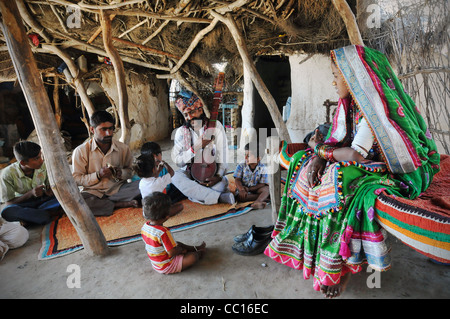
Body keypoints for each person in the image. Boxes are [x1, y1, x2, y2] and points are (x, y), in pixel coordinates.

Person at [264, 45, 440, 298]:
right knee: (301, 161)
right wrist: (316, 153)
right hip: (363, 157)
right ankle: (308, 251)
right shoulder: (350, 106)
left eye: (337, 74)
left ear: (354, 78)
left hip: (391, 166)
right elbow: (339, 143)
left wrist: (320, 151)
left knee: (338, 178)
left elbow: (355, 155)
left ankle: (338, 267)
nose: (333, 81)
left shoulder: (373, 111)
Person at [171, 90, 234, 205]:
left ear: (200, 110)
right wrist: (195, 148)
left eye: (191, 112)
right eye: (185, 114)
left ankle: (197, 194)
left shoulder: (215, 126)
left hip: (212, 174)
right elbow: (179, 162)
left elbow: (224, 154)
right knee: (175, 177)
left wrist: (218, 176)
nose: (189, 118)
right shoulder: (181, 132)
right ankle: (219, 198)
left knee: (219, 185)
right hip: (190, 174)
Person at [72, 110, 140, 216]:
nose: (108, 133)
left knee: (144, 186)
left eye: (111, 129)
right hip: (93, 193)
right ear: (92, 130)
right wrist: (98, 175)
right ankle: (119, 204)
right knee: (76, 203)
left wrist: (121, 173)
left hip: (118, 190)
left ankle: (109, 204)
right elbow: (76, 179)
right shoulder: (80, 151)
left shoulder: (122, 148)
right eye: (103, 129)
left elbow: (131, 171)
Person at [141, 192, 206, 274]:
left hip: (157, 264)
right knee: (193, 257)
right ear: (167, 216)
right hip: (167, 265)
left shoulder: (145, 227)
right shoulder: (163, 232)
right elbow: (171, 252)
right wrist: (181, 250)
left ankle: (195, 248)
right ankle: (199, 252)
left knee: (176, 244)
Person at [0, 141, 61, 225]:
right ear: (23, 163)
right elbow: (9, 203)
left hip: (43, 199)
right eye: (36, 158)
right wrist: (31, 193)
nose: (41, 160)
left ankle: (34, 217)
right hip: (24, 204)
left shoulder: (43, 165)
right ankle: (46, 214)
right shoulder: (7, 174)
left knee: (66, 194)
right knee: (7, 212)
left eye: (40, 156)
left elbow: (50, 186)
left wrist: (49, 190)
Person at [233, 143, 270, 209]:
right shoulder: (241, 165)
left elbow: (262, 184)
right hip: (244, 189)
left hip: (256, 189)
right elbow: (237, 179)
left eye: (248, 156)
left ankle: (258, 202)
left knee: (267, 189)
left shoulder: (263, 168)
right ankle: (263, 198)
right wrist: (241, 189)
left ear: (258, 159)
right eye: (245, 155)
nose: (245, 157)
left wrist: (250, 189)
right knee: (239, 197)